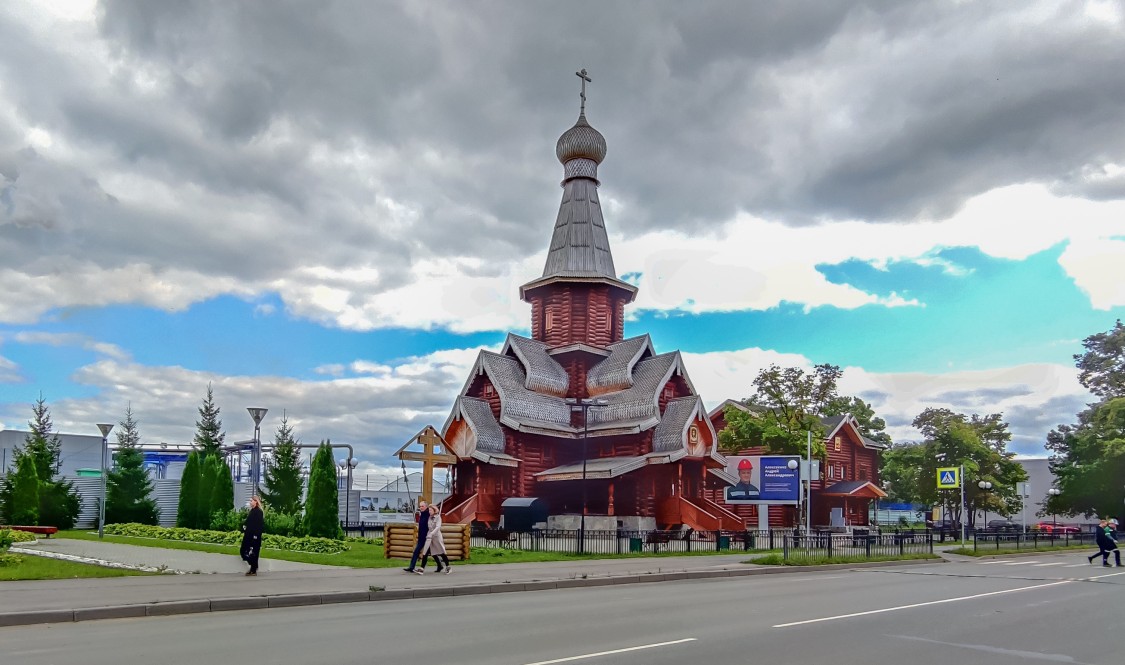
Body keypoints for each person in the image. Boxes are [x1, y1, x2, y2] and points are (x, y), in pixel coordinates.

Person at [420, 504, 452, 574]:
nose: (429, 511)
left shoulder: (438, 517)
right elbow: (428, 527)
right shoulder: (429, 517)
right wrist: (429, 534)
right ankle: (421, 568)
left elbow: (438, 527)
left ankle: (448, 567)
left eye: (431, 510)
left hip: (437, 537)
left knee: (441, 552)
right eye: (429, 510)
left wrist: (432, 533)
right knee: (425, 551)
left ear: (434, 510)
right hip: (429, 537)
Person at [240, 496, 265, 576]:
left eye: (251, 501)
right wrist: (244, 526)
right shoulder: (252, 511)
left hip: (254, 536)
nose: (250, 502)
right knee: (243, 551)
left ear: (256, 502)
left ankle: (253, 569)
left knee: (253, 553)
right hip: (248, 535)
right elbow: (249, 522)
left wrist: (256, 536)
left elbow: (259, 525)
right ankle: (254, 566)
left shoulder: (258, 512)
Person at [404, 500, 429, 574]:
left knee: (431, 553)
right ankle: (411, 567)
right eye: (420, 506)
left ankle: (441, 565)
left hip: (427, 537)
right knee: (416, 551)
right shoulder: (422, 514)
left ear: (426, 507)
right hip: (421, 537)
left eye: (422, 506)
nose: (421, 507)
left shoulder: (428, 514)